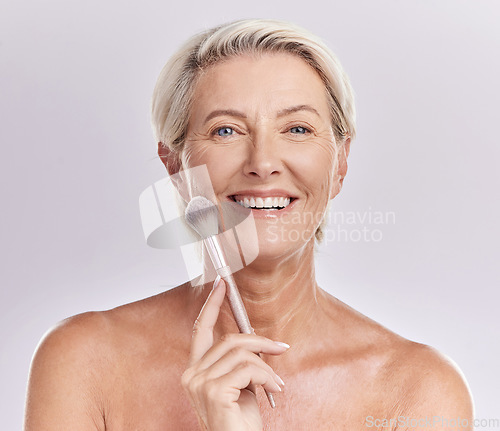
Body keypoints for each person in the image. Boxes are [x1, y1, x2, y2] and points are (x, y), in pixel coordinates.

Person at [24, 19, 473, 430]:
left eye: (297, 129)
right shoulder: (84, 363)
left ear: (340, 164)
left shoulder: (418, 390)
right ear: (175, 169)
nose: (262, 163)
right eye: (226, 131)